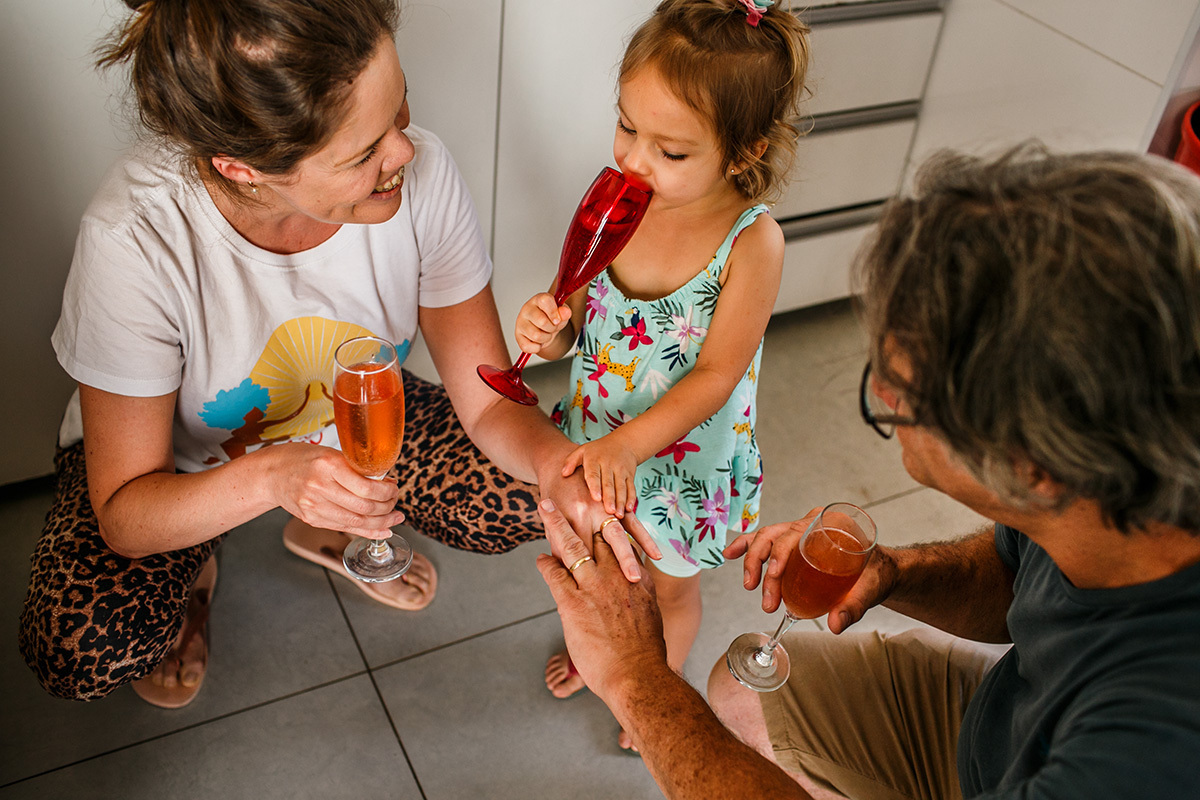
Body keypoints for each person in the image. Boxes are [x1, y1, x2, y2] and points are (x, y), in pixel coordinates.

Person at [18, 0, 652, 709]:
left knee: (527, 497)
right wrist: (271, 478)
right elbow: (125, 515)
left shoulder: (423, 177)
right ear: (244, 168)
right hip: (181, 469)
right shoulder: (135, 237)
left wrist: (555, 472)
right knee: (80, 647)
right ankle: (200, 564)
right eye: (363, 153)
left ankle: (323, 520)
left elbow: (486, 401)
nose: (405, 153)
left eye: (401, 112)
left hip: (358, 417)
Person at [537, 143, 1200, 799]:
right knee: (741, 690)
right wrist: (893, 572)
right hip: (998, 735)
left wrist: (636, 679)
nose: (882, 392)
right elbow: (1018, 577)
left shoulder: (1144, 748)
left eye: (902, 398)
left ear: (1035, 468)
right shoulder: (1111, 496)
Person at [516, 0, 810, 740]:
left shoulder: (753, 243)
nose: (633, 159)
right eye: (626, 126)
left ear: (742, 152)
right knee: (599, 568)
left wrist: (629, 446)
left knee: (667, 590)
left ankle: (654, 691)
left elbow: (715, 376)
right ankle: (604, 651)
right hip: (600, 440)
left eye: (670, 151)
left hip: (682, 470)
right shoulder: (616, 202)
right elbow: (580, 323)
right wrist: (549, 334)